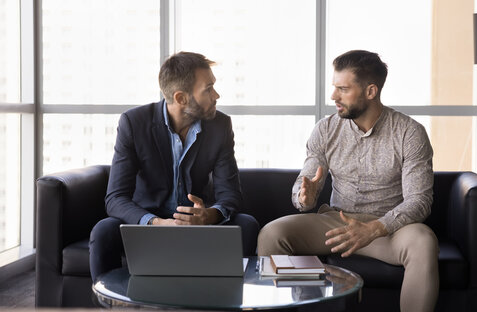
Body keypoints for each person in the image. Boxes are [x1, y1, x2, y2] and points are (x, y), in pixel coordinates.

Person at [257, 50, 439, 312]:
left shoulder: (409, 132)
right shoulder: (326, 128)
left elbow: (419, 201)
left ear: (370, 91)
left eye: (343, 89)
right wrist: (303, 196)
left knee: (423, 241)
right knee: (272, 234)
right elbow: (308, 178)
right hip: (337, 224)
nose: (333, 96)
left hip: (388, 229)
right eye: (334, 88)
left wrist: (375, 228)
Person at [89, 51, 260, 281]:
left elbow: (230, 195)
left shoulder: (220, 126)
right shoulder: (134, 123)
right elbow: (116, 198)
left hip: (198, 224)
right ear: (181, 98)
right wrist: (156, 223)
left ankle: (225, 301)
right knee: (103, 231)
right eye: (208, 89)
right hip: (150, 222)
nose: (216, 95)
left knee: (247, 225)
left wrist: (208, 216)